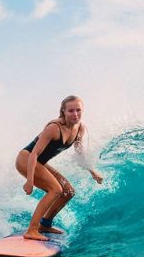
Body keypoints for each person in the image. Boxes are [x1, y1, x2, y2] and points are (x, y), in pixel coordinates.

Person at [16, 95, 103, 241]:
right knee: (56, 189)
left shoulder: (80, 128)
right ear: (63, 111)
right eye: (70, 111)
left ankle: (45, 224)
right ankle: (31, 230)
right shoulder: (54, 128)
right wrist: (29, 181)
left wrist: (92, 172)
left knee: (68, 191)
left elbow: (80, 153)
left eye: (78, 110)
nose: (75, 114)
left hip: (40, 162)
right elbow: (34, 154)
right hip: (26, 159)